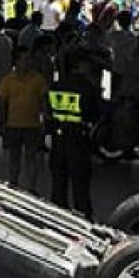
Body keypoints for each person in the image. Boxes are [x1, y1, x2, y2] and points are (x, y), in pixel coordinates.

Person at [47, 52, 100, 219]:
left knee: (59, 180)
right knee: (80, 182)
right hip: (78, 139)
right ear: (78, 66)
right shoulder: (87, 87)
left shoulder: (55, 86)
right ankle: (83, 216)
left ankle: (57, 215)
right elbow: (95, 114)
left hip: (58, 139)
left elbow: (49, 112)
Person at [0, 46, 47, 193]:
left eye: (29, 59)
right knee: (14, 157)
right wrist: (2, 124)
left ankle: (31, 188)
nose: (27, 62)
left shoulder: (38, 79)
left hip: (32, 125)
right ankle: (13, 185)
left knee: (31, 157)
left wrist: (44, 120)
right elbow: (2, 104)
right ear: (16, 61)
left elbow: (43, 102)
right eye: (24, 59)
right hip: (13, 125)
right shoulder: (7, 80)